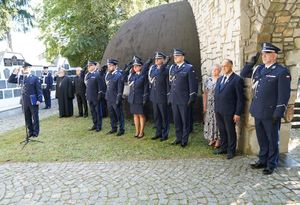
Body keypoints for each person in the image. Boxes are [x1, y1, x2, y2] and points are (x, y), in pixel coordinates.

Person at [241, 43, 291, 175]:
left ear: (274, 56)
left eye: (266, 54)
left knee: (272, 139)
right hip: (258, 110)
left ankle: (271, 163)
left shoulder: (281, 71)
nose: (263, 56)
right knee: (262, 138)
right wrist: (250, 63)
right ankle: (262, 160)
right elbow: (244, 73)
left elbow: (284, 95)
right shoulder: (259, 69)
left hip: (271, 113)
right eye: (263, 54)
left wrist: (279, 112)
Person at [214, 59, 244, 159]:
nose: (223, 68)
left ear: (231, 66)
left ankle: (231, 151)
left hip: (230, 111)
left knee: (230, 131)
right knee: (222, 130)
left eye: (225, 66)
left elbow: (240, 98)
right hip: (219, 110)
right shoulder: (220, 79)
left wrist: (237, 113)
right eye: (222, 66)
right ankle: (224, 148)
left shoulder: (237, 79)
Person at [168, 48, 198, 148]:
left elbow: (192, 84)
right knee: (176, 120)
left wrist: (192, 97)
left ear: (182, 57)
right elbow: (171, 84)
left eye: (177, 56)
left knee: (185, 120)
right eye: (175, 56)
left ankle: (184, 139)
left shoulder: (188, 68)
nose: (175, 58)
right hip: (174, 99)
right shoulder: (173, 68)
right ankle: (178, 137)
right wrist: (170, 96)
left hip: (184, 99)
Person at [8, 62, 43, 138]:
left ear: (30, 69)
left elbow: (39, 90)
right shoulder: (21, 78)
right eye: (23, 68)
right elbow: (10, 80)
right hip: (24, 101)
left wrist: (39, 100)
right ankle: (30, 132)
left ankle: (35, 132)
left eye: (26, 68)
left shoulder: (34, 78)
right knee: (27, 117)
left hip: (33, 100)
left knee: (35, 117)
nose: (24, 69)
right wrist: (15, 72)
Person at [127, 56, 152, 138]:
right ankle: (137, 131)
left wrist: (145, 98)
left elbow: (143, 86)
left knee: (141, 115)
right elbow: (126, 79)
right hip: (132, 98)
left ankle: (141, 131)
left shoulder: (143, 75)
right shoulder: (132, 75)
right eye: (134, 66)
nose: (135, 67)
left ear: (141, 67)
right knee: (135, 115)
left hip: (139, 98)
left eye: (137, 66)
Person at [148, 51, 170, 142]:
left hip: (162, 96)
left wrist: (164, 64)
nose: (156, 60)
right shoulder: (153, 69)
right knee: (157, 116)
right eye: (156, 59)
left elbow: (161, 75)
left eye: (159, 59)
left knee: (164, 116)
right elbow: (152, 76)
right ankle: (158, 132)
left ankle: (165, 134)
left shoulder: (166, 69)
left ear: (163, 60)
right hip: (154, 96)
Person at [105, 59, 125, 136]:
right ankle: (113, 128)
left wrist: (118, 99)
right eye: (108, 66)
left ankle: (121, 129)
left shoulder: (119, 75)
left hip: (115, 98)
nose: (109, 67)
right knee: (111, 114)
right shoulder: (108, 74)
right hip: (109, 98)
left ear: (115, 66)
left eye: (110, 65)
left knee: (119, 114)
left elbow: (120, 89)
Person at [203, 64, 221, 148]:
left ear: (219, 71)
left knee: (217, 121)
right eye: (213, 69)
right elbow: (205, 93)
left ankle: (218, 140)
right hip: (209, 105)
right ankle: (212, 138)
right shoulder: (208, 80)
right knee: (210, 121)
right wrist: (204, 106)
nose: (214, 71)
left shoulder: (221, 80)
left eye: (216, 69)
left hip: (218, 103)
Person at [85, 60, 106, 132]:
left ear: (94, 66)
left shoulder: (98, 74)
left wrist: (100, 95)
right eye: (88, 66)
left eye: (90, 65)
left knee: (98, 112)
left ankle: (99, 126)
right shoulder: (88, 75)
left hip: (96, 97)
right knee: (92, 111)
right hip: (90, 96)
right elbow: (87, 86)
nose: (88, 67)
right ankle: (95, 124)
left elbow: (101, 86)